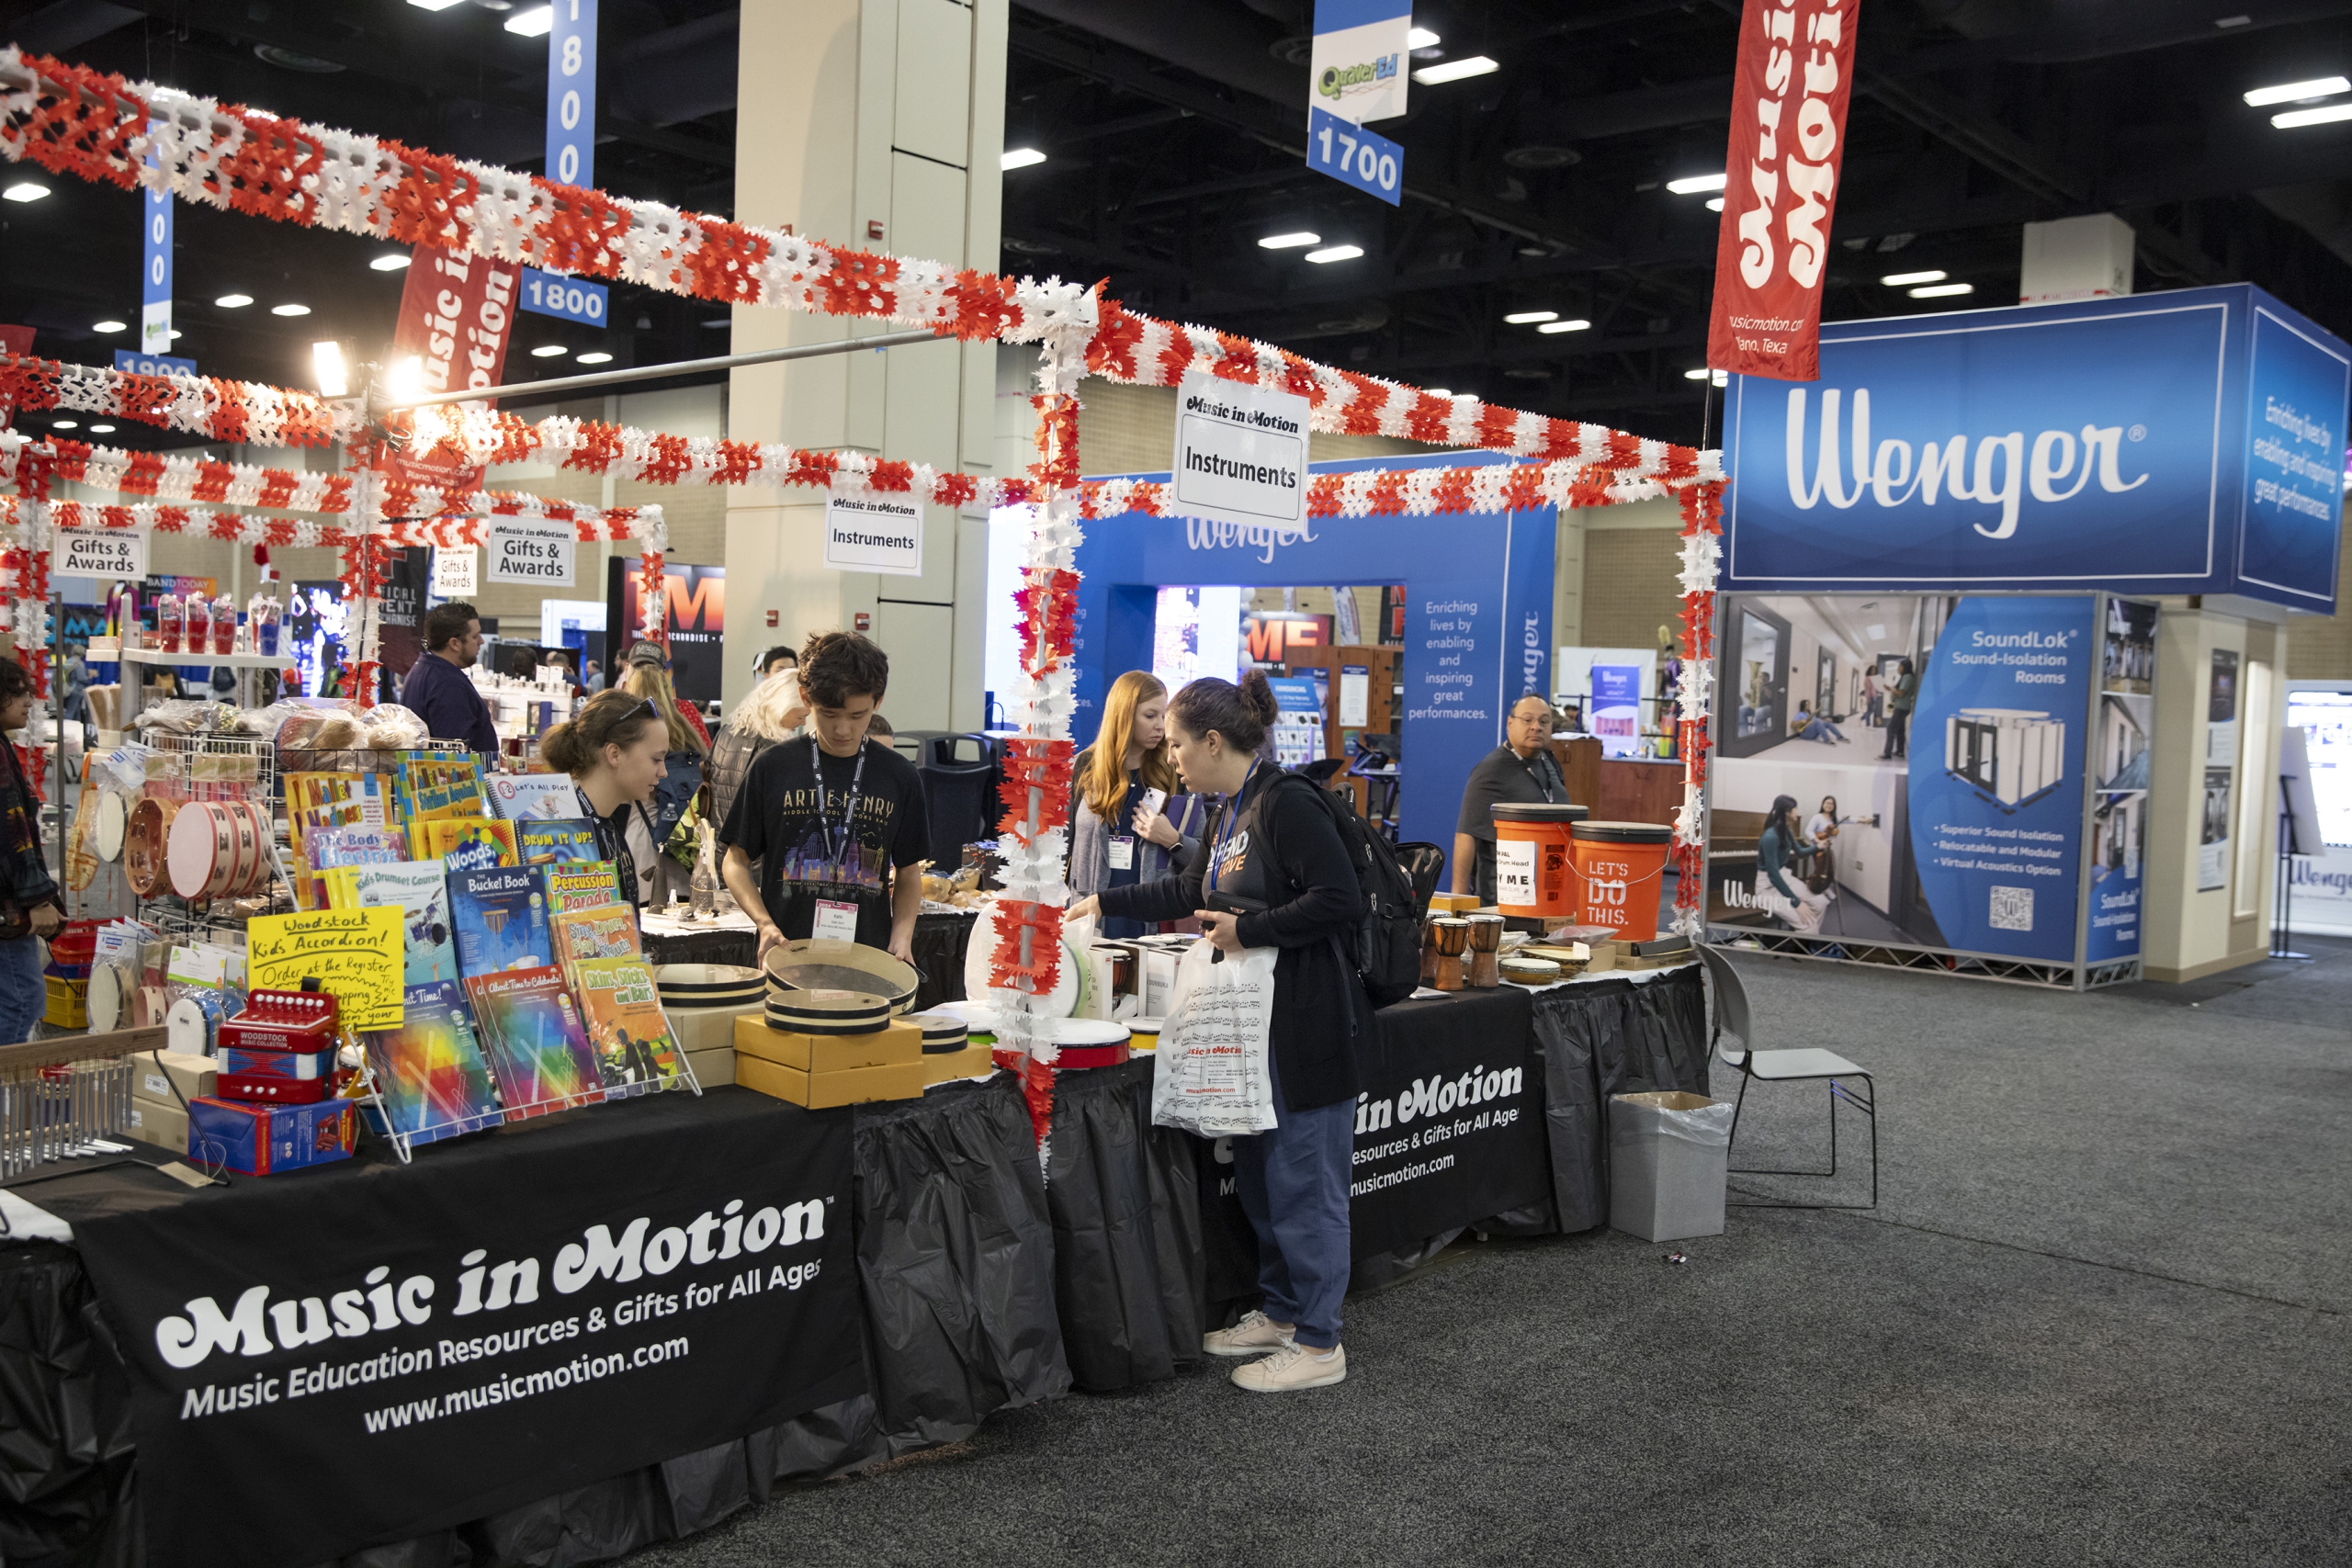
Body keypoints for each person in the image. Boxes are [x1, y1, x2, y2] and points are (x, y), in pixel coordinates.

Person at [1070, 671, 1368, 1393]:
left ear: (1212, 741)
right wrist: (1099, 900)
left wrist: (1251, 928)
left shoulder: (1285, 801)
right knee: (1267, 1180)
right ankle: (1284, 1312)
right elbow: (1189, 889)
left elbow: (1341, 900)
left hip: (1307, 1028)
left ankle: (1321, 1343)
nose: (1169, 757)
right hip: (1252, 1029)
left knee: (1306, 1185)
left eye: (1176, 743)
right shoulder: (1227, 807)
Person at [719, 631, 929, 964]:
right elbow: (735, 860)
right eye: (829, 714)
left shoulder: (899, 775)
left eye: (858, 716)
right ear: (805, 697)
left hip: (868, 960)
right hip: (787, 955)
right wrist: (764, 923)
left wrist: (902, 937)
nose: (843, 729)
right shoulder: (774, 766)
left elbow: (908, 871)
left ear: (878, 701)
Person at [1068, 671, 1202, 939]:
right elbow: (1066, 846)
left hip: (1152, 923)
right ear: (1124, 715)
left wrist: (1172, 839)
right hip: (1091, 918)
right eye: (1150, 716)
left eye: (1164, 716)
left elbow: (1205, 859)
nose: (1161, 727)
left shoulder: (1176, 771)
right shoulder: (1084, 766)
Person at [539, 689, 672, 910]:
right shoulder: (568, 835)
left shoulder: (608, 823)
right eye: (656, 759)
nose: (663, 772)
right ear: (614, 754)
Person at [0, 660, 62, 1045]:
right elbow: (12, 833)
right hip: (7, 911)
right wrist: (38, 899)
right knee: (21, 1002)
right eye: (20, 692)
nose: (29, 701)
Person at [1453, 694, 1568, 900]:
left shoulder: (1549, 761)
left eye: (1544, 721)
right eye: (1528, 719)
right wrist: (1458, 903)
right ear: (1510, 723)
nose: (1536, 727)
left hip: (1551, 888)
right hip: (1507, 897)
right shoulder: (1490, 770)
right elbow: (1466, 834)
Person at [617, 648, 710, 893]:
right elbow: (705, 767)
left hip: (641, 849)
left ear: (629, 675)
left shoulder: (622, 726)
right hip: (684, 844)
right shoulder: (686, 721)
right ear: (664, 678)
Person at [708, 668, 811, 852]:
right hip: (753, 857)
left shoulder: (726, 732)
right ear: (782, 707)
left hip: (717, 845)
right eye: (801, 716)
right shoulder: (776, 750)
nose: (803, 723)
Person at [399, 601, 499, 754]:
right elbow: (455, 753)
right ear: (455, 644)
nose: (481, 641)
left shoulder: (422, 669)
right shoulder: (447, 684)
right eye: (475, 636)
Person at [1755, 794, 1829, 933]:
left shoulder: (1787, 831)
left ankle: (1804, 942)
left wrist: (1818, 847)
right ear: (1787, 813)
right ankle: (1806, 940)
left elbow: (1800, 851)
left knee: (1821, 903)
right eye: (1796, 809)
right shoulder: (1769, 837)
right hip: (1767, 888)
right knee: (1809, 924)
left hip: (1784, 878)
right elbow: (1773, 875)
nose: (1797, 812)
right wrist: (1796, 903)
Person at [1883, 657, 1917, 760]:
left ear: (1905, 667)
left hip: (1902, 707)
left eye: (1900, 666)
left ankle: (1887, 754)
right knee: (1900, 730)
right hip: (1902, 707)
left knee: (1890, 728)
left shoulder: (1907, 677)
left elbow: (1901, 693)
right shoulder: (1906, 677)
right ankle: (1900, 751)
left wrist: (1891, 689)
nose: (1898, 668)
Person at [1804, 795, 1842, 887]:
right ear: (1823, 804)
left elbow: (1849, 819)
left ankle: (1826, 888)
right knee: (1820, 870)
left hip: (1828, 848)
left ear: (1834, 806)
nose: (1829, 805)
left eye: (1831, 804)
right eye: (1827, 803)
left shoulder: (1835, 819)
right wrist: (1818, 841)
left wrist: (1863, 820)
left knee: (1830, 870)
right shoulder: (1817, 817)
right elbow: (1808, 830)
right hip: (1817, 847)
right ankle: (1816, 888)